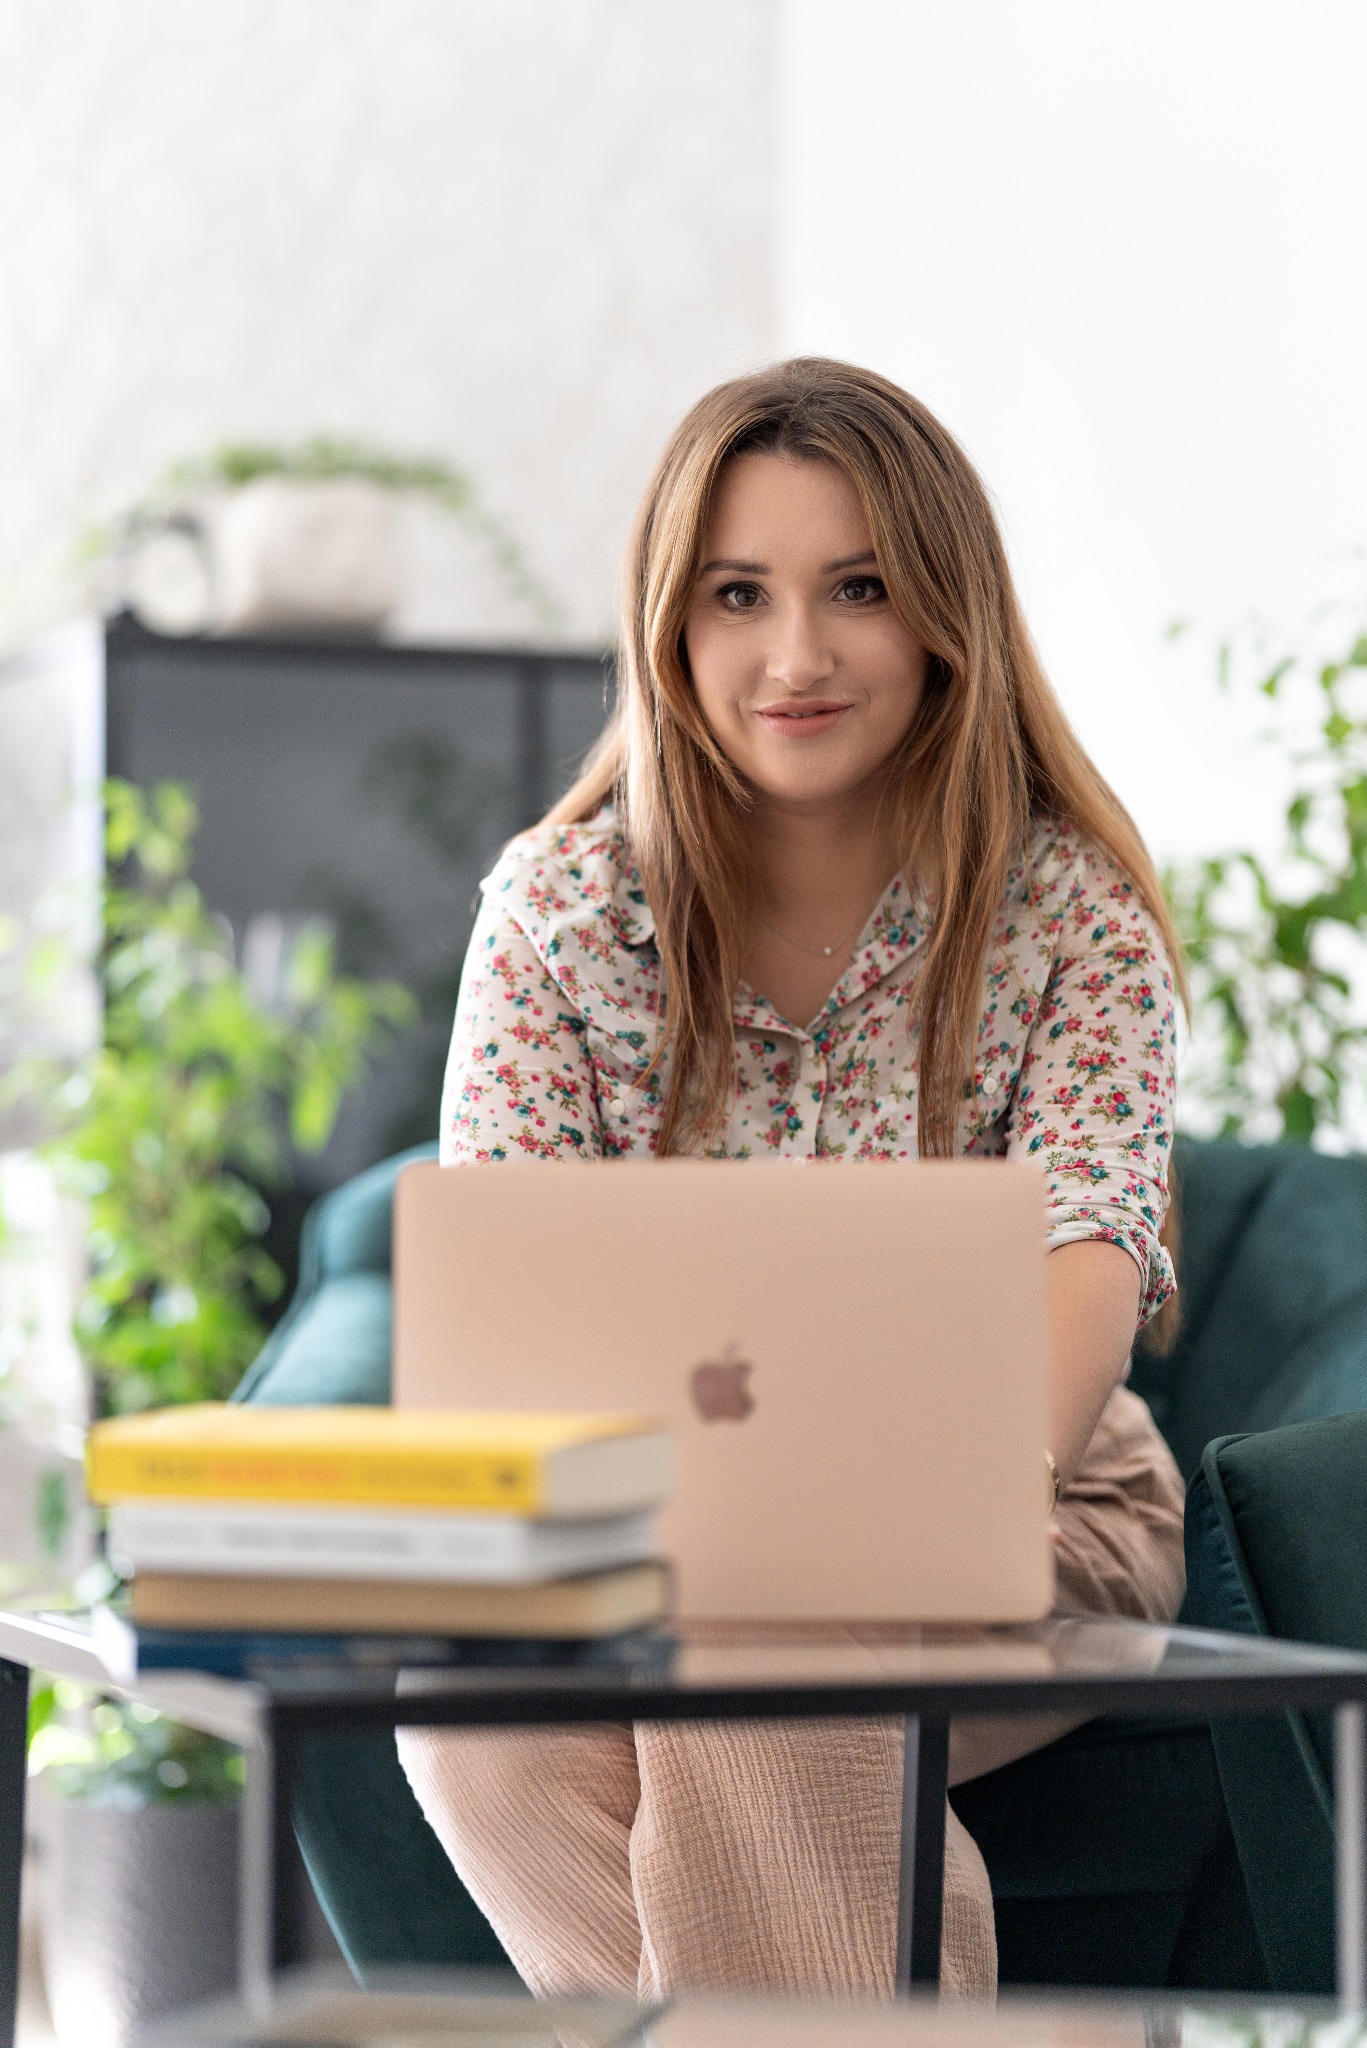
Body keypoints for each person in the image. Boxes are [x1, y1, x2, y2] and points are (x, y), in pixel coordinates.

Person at [398, 358, 1186, 2000]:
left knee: (766, 1634)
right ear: (670, 624)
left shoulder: (1071, 909)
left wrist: (919, 1517)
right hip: (639, 1541)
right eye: (739, 593)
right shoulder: (560, 911)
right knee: (477, 1731)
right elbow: (503, 1292)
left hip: (1040, 1516)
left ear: (944, 618)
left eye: (860, 590)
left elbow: (1090, 1250)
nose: (798, 654)